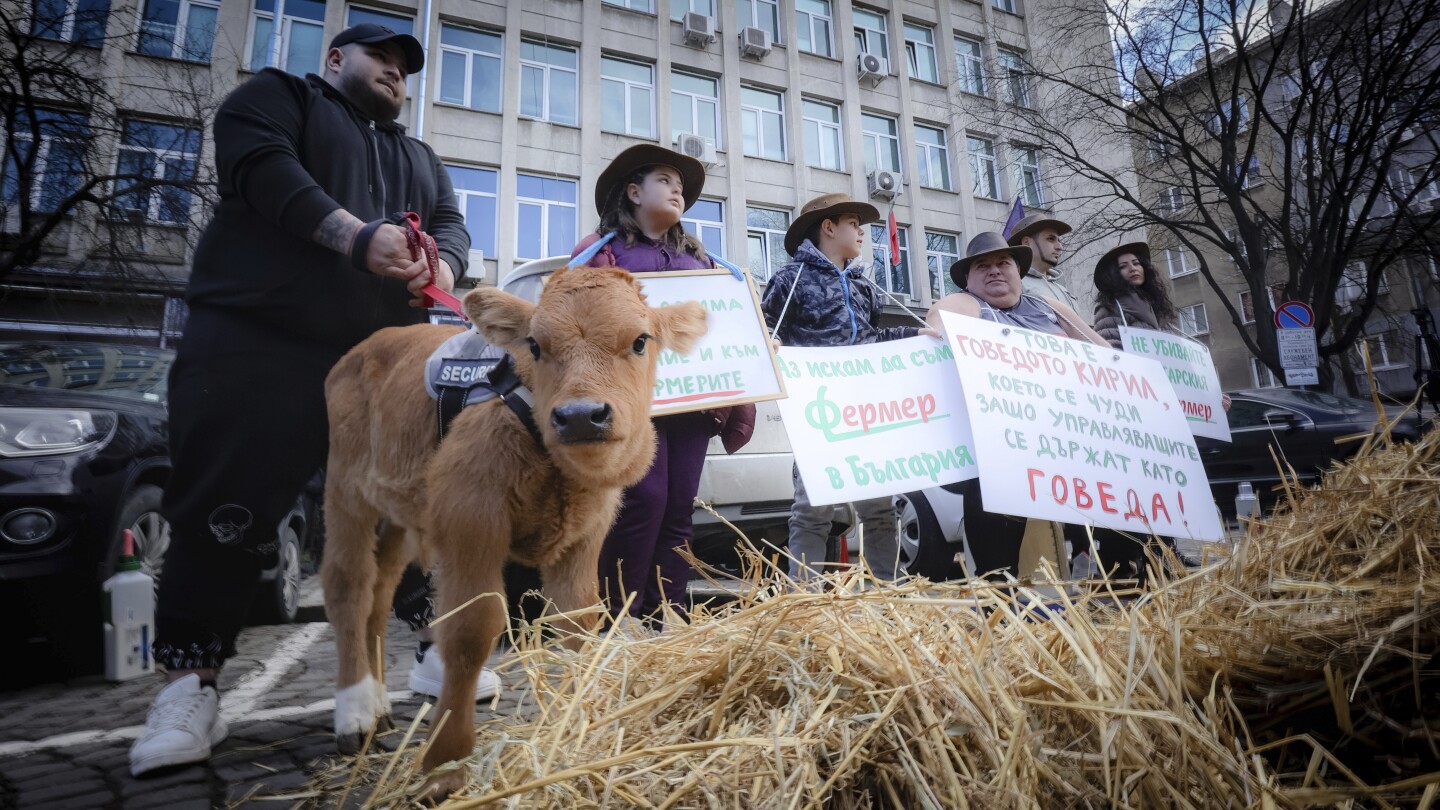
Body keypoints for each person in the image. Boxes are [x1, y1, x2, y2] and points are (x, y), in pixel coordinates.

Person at [129, 24, 493, 777]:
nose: (395, 74)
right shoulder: (274, 97)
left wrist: (447, 262)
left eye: (404, 68)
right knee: (227, 502)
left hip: (382, 358)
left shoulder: (418, 155)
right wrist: (357, 238)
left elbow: (453, 223)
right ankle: (191, 684)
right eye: (380, 60)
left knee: (417, 500)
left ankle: (434, 647)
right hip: (261, 336)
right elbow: (265, 171)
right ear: (334, 59)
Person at [569, 143, 742, 625]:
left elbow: (725, 330)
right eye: (665, 180)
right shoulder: (600, 254)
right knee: (642, 503)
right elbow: (583, 323)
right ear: (633, 191)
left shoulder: (705, 263)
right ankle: (617, 615)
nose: (676, 191)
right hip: (631, 407)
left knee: (679, 511)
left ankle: (667, 617)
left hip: (690, 405)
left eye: (681, 186)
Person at [762, 193, 933, 583]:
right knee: (812, 508)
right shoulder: (790, 280)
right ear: (828, 228)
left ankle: (882, 596)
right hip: (818, 413)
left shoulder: (865, 287)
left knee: (879, 508)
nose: (861, 233)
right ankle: (803, 603)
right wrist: (769, 345)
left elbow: (873, 337)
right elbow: (766, 332)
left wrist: (918, 335)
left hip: (866, 409)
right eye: (855, 225)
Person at [924, 232, 1107, 579]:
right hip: (1000, 450)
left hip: (1063, 443)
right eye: (983, 266)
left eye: (1003, 263)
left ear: (1018, 272)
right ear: (968, 279)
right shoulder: (970, 305)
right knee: (996, 532)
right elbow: (941, 316)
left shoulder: (1049, 308)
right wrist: (932, 331)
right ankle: (998, 602)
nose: (994, 270)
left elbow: (1104, 354)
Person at [1091, 241, 1178, 349]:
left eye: (1136, 263)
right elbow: (1111, 352)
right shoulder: (1110, 308)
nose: (1133, 268)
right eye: (1123, 266)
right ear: (1113, 274)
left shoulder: (1158, 308)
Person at [1008, 213, 1082, 313]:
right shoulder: (1013, 285)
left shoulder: (1061, 289)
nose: (1059, 247)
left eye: (1059, 240)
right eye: (1050, 239)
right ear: (1026, 242)